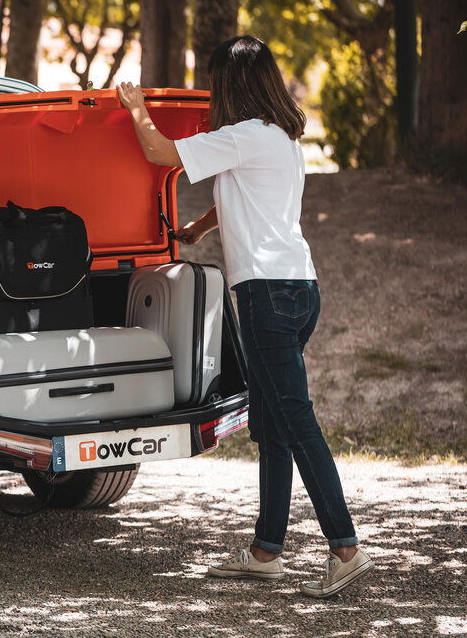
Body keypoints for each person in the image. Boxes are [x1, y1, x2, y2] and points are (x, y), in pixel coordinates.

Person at [117, 35, 372, 599]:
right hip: (299, 289)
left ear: (231, 86)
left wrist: (136, 110)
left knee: (295, 423)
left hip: (265, 297)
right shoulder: (278, 138)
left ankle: (346, 548)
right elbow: (245, 197)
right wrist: (199, 230)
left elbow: (162, 154)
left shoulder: (241, 135)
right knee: (275, 425)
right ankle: (265, 552)